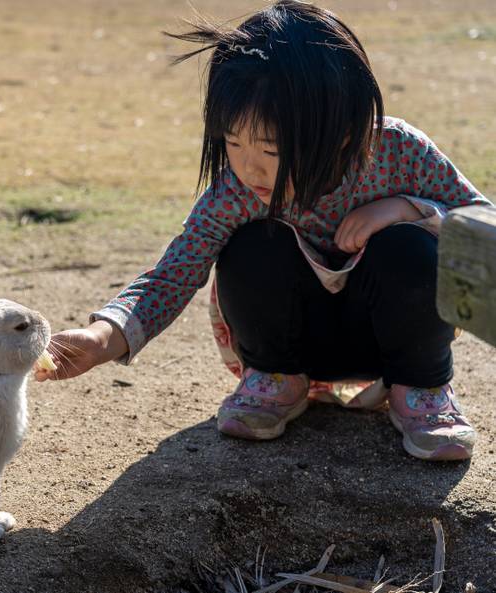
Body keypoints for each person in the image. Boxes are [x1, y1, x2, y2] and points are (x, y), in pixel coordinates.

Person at [33, 0, 493, 461]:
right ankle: (274, 383)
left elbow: (480, 224)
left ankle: (422, 394)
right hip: (291, 345)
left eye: (271, 150)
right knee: (252, 243)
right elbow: (175, 271)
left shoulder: (398, 151)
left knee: (411, 248)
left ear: (344, 134)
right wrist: (102, 337)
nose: (249, 166)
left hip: (391, 346)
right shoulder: (236, 191)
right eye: (233, 142)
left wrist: (405, 209)